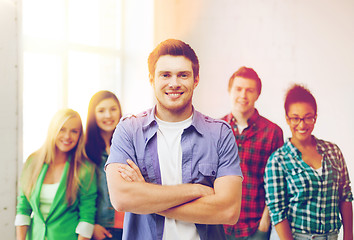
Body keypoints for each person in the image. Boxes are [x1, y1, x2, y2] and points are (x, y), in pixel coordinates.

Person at [105, 38, 243, 240]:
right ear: (152, 79)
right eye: (165, 75)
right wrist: (195, 190)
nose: (174, 83)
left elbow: (228, 211)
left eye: (183, 75)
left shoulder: (220, 134)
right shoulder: (128, 130)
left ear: (196, 80)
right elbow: (122, 199)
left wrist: (146, 196)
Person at [264, 84, 353, 240]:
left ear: (315, 117)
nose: (302, 124)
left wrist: (349, 236)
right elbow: (277, 213)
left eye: (308, 117)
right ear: (287, 118)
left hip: (332, 236)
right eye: (295, 118)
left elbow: (345, 196)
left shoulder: (333, 151)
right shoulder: (277, 161)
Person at [222, 66, 284, 240]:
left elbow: (277, 184)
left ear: (257, 94)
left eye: (250, 90)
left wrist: (264, 224)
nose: (243, 95)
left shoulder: (272, 133)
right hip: (219, 226)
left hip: (255, 228)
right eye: (238, 89)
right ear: (229, 91)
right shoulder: (216, 129)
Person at [15, 109, 97, 240]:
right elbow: (23, 208)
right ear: (53, 130)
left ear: (80, 135)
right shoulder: (33, 162)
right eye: (62, 129)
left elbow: (87, 217)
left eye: (74, 131)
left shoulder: (85, 169)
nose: (67, 136)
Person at [85, 90, 124, 240]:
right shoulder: (85, 149)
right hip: (102, 227)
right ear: (93, 115)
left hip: (130, 223)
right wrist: (92, 225)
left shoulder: (129, 145)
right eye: (101, 110)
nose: (108, 115)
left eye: (113, 109)